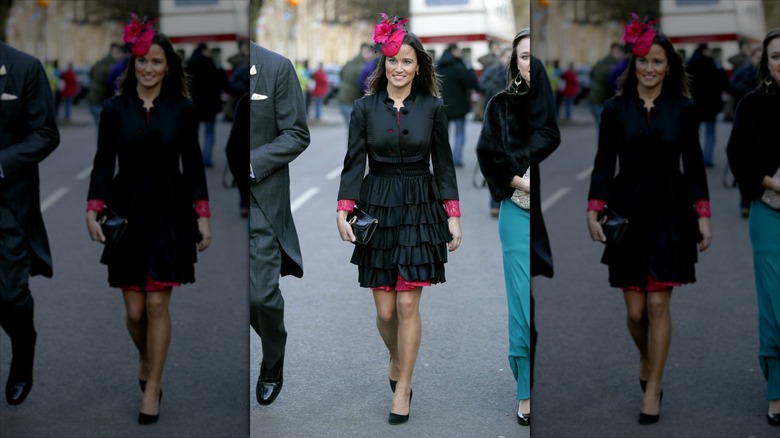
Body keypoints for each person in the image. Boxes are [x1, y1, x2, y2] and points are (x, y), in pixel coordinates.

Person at [85, 17, 212, 424]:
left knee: (157, 302)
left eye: (156, 61)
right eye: (142, 60)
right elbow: (104, 163)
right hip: (126, 210)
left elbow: (193, 166)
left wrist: (202, 215)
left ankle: (152, 386)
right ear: (132, 64)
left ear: (168, 65)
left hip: (170, 210)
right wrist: (93, 207)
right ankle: (146, 357)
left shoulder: (183, 109)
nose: (148, 68)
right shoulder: (113, 109)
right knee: (135, 311)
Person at [336, 13, 461, 425]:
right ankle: (396, 357)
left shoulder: (434, 107)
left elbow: (444, 166)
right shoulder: (363, 109)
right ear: (382, 64)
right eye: (393, 60)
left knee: (408, 303)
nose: (400, 68)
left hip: (420, 206)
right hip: (377, 204)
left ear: (418, 66)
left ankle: (403, 386)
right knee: (386, 311)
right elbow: (354, 163)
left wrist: (453, 215)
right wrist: (344, 209)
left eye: (408, 61)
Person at [586, 16, 712, 425]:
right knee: (636, 311)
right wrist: (594, 207)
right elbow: (604, 163)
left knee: (658, 303)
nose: (650, 68)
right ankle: (647, 357)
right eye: (643, 61)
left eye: (658, 61)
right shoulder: (614, 109)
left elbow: (694, 166)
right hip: (626, 210)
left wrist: (703, 216)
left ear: (669, 66)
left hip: (671, 210)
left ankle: (653, 385)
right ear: (633, 64)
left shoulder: (684, 109)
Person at [476, 28, 560, 427]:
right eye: (523, 56)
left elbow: (556, 142)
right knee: (521, 305)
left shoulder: (549, 104)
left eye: (535, 56)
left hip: (547, 215)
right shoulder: (500, 105)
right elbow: (488, 155)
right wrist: (519, 180)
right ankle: (524, 388)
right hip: (516, 210)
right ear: (515, 61)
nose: (529, 62)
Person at [250, 42, 310, 406]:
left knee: (260, 295)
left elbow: (297, 133)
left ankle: (272, 360)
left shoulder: (276, 67)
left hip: (261, 201)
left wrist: (251, 162)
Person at [0, 41, 60, 406]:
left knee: (10, 296)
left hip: (9, 206)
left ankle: (23, 356)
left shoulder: (25, 68)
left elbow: (46, 134)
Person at [726, 28, 780, 427]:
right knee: (774, 303)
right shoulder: (752, 104)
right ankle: (776, 388)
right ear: (766, 62)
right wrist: (772, 182)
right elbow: (739, 155)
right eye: (776, 56)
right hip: (769, 211)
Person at [478, 46, 513, 217]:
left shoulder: (517, 74)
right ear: (500, 57)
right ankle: (494, 203)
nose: (508, 59)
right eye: (506, 56)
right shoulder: (492, 72)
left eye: (510, 56)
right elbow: (482, 85)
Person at [686, 43, 729, 168]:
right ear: (704, 50)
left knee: (694, 135)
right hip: (710, 106)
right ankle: (707, 159)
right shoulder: (712, 64)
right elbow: (722, 83)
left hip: (694, 106)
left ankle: (694, 159)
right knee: (710, 133)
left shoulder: (690, 64)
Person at [437, 43, 478, 167]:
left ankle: (444, 160)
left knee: (444, 135)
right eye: (459, 50)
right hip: (459, 106)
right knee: (460, 133)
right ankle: (457, 159)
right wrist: (469, 69)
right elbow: (471, 83)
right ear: (454, 51)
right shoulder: (460, 66)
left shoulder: (438, 66)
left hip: (442, 106)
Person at [186, 43, 226, 168]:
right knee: (209, 133)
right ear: (204, 50)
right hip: (209, 105)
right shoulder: (210, 64)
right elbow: (218, 84)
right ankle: (206, 159)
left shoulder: (190, 64)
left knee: (193, 135)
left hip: (194, 105)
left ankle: (194, 159)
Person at [87, 43, 124, 126]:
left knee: (103, 130)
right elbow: (111, 83)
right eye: (118, 51)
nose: (121, 54)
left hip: (95, 99)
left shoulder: (101, 61)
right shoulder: (113, 66)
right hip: (99, 100)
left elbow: (90, 74)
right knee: (103, 130)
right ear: (112, 51)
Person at [337, 43, 374, 126]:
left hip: (344, 98)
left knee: (351, 128)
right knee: (353, 130)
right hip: (351, 99)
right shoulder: (364, 66)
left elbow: (341, 75)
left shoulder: (351, 62)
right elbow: (364, 85)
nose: (371, 54)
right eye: (368, 52)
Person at [589, 43, 625, 126]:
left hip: (597, 99)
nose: (621, 54)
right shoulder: (612, 65)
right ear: (613, 51)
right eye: (619, 52)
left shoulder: (603, 61)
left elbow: (592, 74)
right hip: (599, 100)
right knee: (603, 129)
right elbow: (610, 81)